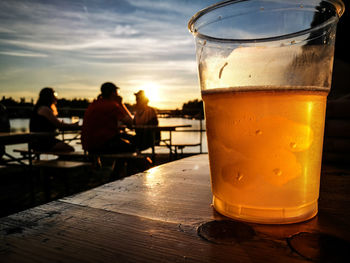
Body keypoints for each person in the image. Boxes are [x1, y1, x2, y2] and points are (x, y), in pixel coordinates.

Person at [81, 82, 135, 153]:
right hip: (103, 144)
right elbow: (132, 123)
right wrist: (121, 104)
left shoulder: (94, 104)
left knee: (125, 138)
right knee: (132, 148)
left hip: (88, 144)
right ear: (113, 93)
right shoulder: (112, 106)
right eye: (117, 92)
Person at [30, 87, 77, 152]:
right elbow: (59, 125)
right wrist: (74, 126)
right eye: (54, 95)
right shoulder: (44, 109)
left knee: (66, 149)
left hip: (42, 140)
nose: (56, 97)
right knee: (69, 149)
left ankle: (58, 161)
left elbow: (58, 123)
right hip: (41, 142)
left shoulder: (41, 108)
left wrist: (72, 125)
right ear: (48, 97)